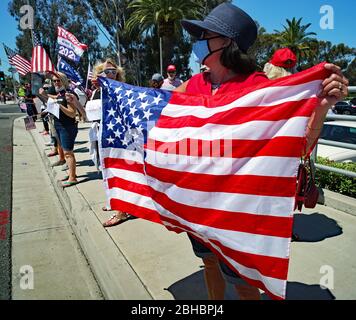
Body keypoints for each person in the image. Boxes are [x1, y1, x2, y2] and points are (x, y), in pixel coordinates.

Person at [177, 2, 348, 300]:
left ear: (227, 42)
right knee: (208, 262)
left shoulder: (261, 90)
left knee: (244, 281)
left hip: (238, 211)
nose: (198, 40)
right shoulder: (190, 86)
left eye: (206, 33)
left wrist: (320, 110)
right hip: (199, 204)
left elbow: (296, 148)